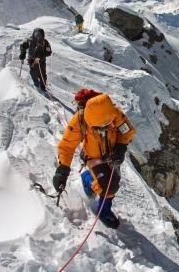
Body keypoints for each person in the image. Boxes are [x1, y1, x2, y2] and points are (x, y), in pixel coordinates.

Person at [52, 89, 136, 228]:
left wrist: (121, 147)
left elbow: (127, 131)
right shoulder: (80, 120)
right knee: (109, 186)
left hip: (113, 154)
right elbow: (67, 146)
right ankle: (103, 210)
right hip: (94, 158)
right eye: (98, 127)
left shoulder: (114, 112)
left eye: (106, 125)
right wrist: (62, 169)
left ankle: (87, 178)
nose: (103, 128)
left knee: (113, 179)